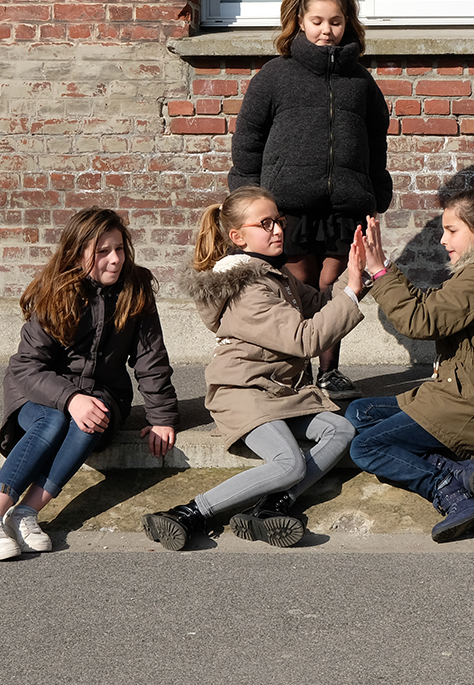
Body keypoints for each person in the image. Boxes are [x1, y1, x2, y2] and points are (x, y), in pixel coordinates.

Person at [142, 186, 365, 551]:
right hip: (242, 393)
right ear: (237, 236)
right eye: (265, 223)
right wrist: (353, 290)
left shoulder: (274, 275)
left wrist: (361, 272)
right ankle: (188, 513)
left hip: (278, 392)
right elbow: (305, 339)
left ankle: (271, 506)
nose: (278, 229)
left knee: (339, 429)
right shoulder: (247, 288)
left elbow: (323, 304)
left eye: (279, 221)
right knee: (289, 463)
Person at [0, 208, 178, 561]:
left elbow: (150, 358)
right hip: (36, 392)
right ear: (78, 255)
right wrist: (70, 397)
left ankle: (25, 513)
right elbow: (27, 366)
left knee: (94, 414)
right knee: (54, 419)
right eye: (103, 252)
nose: (115, 260)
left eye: (120, 249)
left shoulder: (136, 288)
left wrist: (162, 417)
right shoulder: (57, 290)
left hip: (101, 393)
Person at [348, 188, 474, 543]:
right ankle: (455, 467)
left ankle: (451, 492)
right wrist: (386, 270)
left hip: (467, 401)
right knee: (360, 413)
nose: (442, 239)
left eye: (452, 230)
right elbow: (431, 305)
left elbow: (421, 321)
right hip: (453, 390)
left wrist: (378, 272)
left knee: (365, 447)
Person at [227, 0, 392, 403]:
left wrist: (377, 190)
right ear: (300, 22)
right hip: (289, 207)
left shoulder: (361, 82)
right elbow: (248, 138)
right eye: (317, 21)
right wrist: (247, 192)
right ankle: (293, 370)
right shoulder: (275, 75)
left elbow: (376, 142)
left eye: (335, 21)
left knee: (335, 284)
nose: (326, 30)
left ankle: (329, 372)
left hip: (346, 206)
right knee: (296, 286)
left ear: (347, 24)